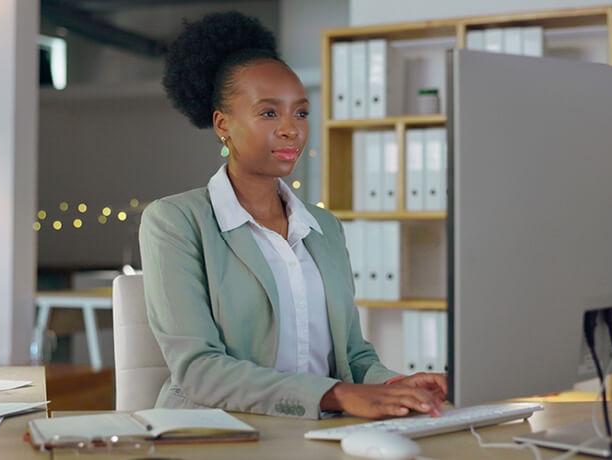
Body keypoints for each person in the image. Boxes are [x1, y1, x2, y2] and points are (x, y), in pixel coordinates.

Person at [139, 11, 447, 420]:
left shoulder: (325, 229)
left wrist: (392, 385)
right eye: (269, 113)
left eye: (300, 113)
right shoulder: (176, 222)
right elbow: (199, 371)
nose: (291, 129)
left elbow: (352, 355)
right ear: (223, 124)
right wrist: (335, 395)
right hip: (219, 433)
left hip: (316, 431)